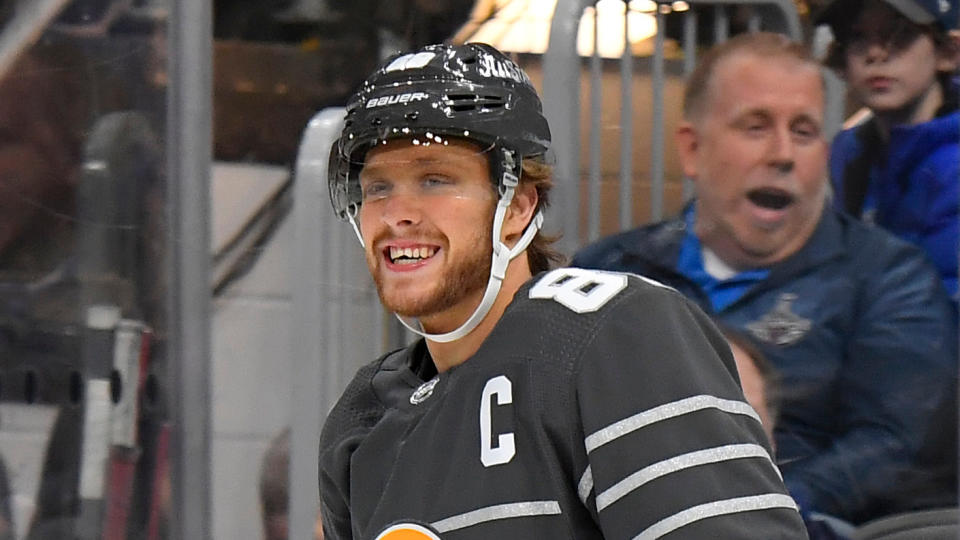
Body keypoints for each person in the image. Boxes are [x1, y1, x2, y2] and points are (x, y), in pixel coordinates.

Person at [317, 42, 807, 539]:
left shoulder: (615, 333)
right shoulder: (362, 418)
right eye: (378, 188)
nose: (398, 213)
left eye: (435, 180)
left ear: (517, 208)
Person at [571, 32, 958, 528]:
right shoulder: (608, 274)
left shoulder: (890, 279)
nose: (783, 154)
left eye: (803, 131)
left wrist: (738, 513)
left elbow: (896, 447)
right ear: (692, 150)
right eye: (756, 127)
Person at [815, 0, 960, 300]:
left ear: (948, 53)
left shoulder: (953, 166)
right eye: (857, 37)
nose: (876, 53)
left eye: (901, 34)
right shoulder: (851, 152)